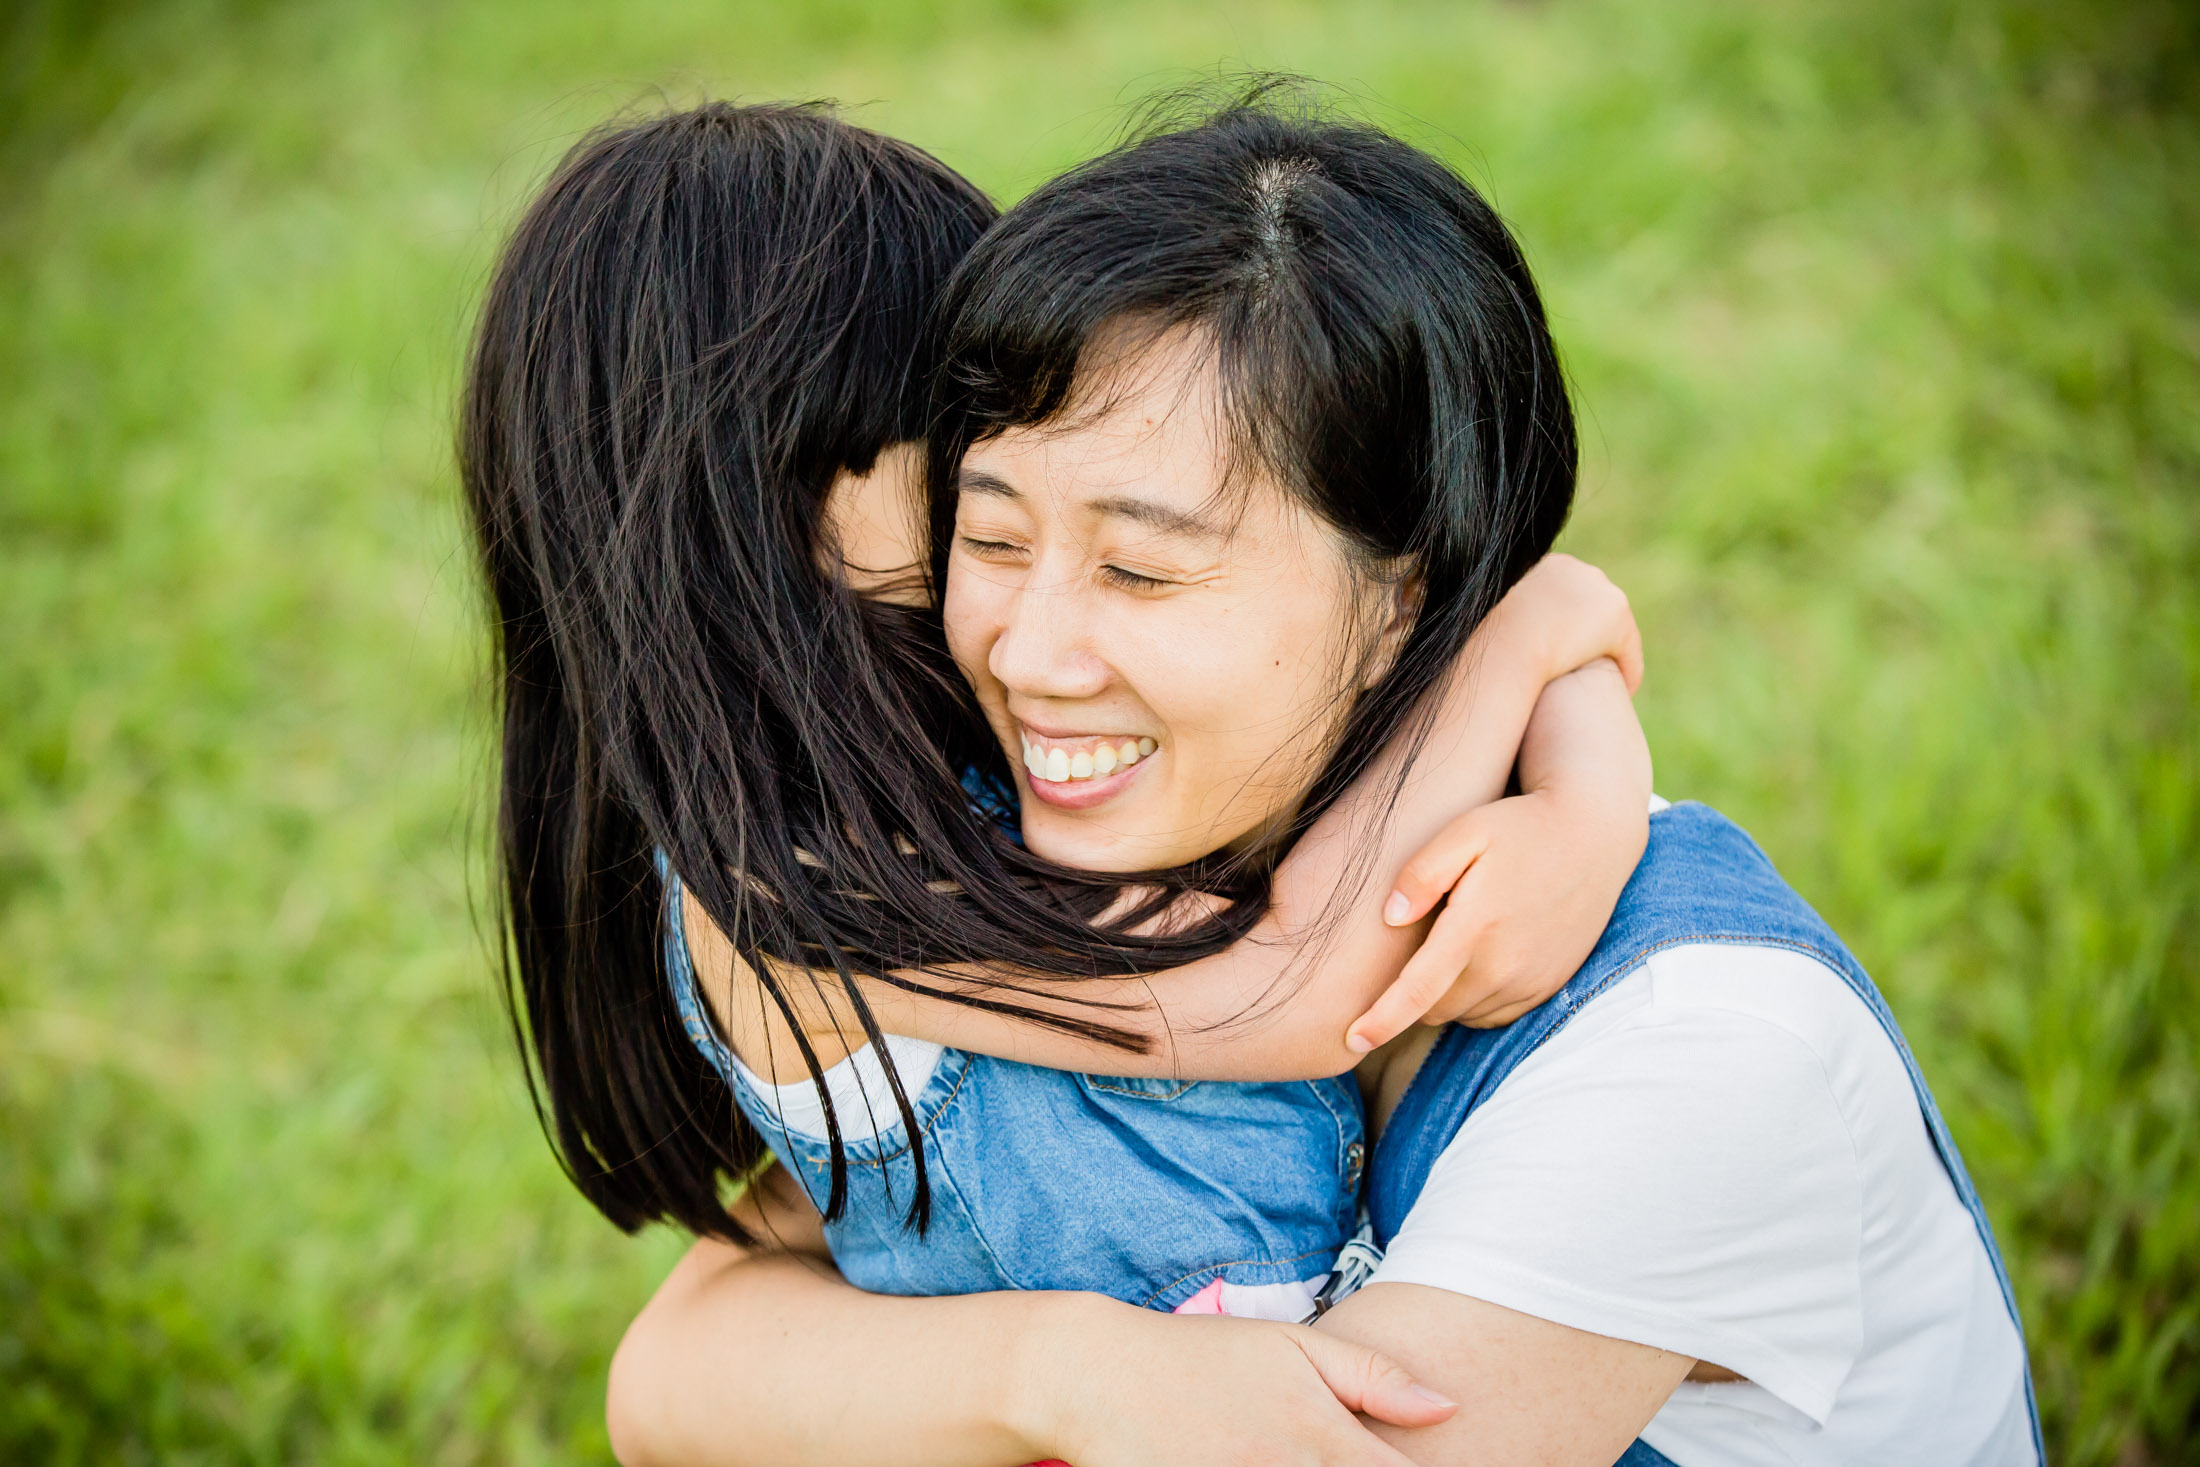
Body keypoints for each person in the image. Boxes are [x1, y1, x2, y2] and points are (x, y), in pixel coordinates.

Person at [606, 95, 2042, 1467]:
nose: (1030, 654)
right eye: (989, 541)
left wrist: (1552, 658)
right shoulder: (1060, 866)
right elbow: (686, 1359)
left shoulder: (1692, 1051)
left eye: (1141, 568)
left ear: (1404, 602)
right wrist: (1054, 1367)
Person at [461, 92, 1649, 1427]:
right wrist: (1533, 629)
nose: (1021, 421)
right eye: (952, 393)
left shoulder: (935, 748)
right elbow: (1284, 988)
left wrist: (1588, 782)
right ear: (772, 478)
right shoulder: (792, 881)